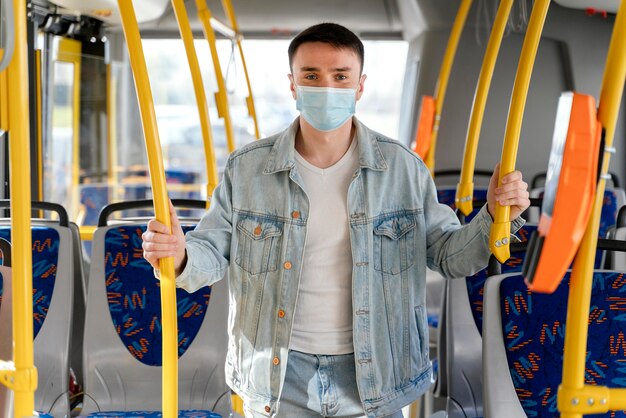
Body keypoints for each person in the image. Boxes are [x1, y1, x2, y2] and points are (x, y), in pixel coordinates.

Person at [142, 23, 530, 418]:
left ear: (360, 86)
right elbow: (212, 249)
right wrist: (180, 254)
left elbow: (449, 254)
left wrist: (494, 217)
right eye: (311, 75)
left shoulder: (402, 169)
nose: (325, 87)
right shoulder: (247, 170)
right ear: (292, 85)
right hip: (278, 371)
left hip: (374, 371)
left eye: (340, 76)